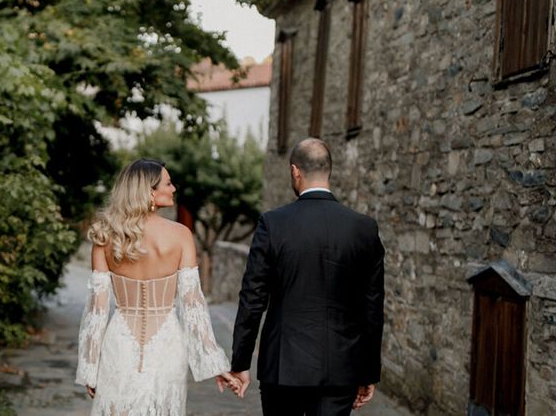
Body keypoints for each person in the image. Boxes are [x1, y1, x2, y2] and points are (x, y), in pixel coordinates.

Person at [230, 137, 385, 415]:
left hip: (283, 365)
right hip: (340, 367)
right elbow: (372, 307)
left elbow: (253, 298)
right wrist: (368, 372)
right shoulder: (364, 229)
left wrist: (240, 362)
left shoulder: (273, 224)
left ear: (295, 171)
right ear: (329, 171)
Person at [76, 158, 240, 415]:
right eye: (168, 183)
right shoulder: (181, 235)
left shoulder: (105, 236)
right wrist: (216, 364)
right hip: (166, 344)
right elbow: (193, 306)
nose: (174, 188)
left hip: (119, 342)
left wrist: (89, 367)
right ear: (150, 192)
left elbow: (96, 311)